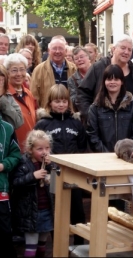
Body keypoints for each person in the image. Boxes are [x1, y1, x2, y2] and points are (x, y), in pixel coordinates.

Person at [86, 64, 133, 256]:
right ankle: (101, 244)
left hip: (128, 162)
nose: (112, 82)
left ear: (122, 81)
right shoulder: (95, 108)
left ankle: (128, 242)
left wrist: (126, 156)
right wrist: (108, 155)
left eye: (116, 78)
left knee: (125, 205)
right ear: (104, 81)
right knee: (102, 205)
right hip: (103, 162)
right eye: (109, 78)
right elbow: (92, 135)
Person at [34, 84, 87, 245]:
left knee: (77, 210)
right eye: (57, 101)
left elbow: (82, 146)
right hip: (53, 175)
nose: (61, 104)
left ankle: (79, 245)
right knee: (56, 211)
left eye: (64, 101)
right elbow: (34, 149)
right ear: (50, 103)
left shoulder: (76, 123)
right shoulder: (43, 124)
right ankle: (59, 245)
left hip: (74, 174)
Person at [77, 34, 133, 125]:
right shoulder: (98, 68)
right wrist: (90, 117)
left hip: (127, 127)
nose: (126, 52)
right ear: (113, 49)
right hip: (101, 126)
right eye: (123, 48)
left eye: (129, 49)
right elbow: (83, 94)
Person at [11, 130, 54, 257]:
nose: (45, 152)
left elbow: (58, 179)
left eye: (47, 148)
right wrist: (32, 176)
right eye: (40, 149)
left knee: (42, 244)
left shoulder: (49, 163)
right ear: (30, 149)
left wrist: (51, 167)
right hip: (30, 213)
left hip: (46, 209)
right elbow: (15, 182)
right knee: (31, 246)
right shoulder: (23, 162)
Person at [3, 53, 37, 153]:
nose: (19, 74)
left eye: (22, 69)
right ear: (7, 73)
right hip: (11, 150)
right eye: (14, 70)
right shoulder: (4, 96)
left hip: (29, 150)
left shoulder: (28, 93)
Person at [30, 37, 76, 108]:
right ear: (49, 51)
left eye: (60, 48)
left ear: (66, 51)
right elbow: (34, 96)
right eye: (54, 48)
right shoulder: (39, 70)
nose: (57, 51)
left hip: (70, 116)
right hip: (47, 115)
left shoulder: (74, 69)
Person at [0, 116, 21, 258]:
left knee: (5, 230)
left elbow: (16, 154)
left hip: (2, 189)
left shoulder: (7, 128)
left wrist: (4, 165)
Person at [67, 46, 91, 111]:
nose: (79, 60)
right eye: (76, 58)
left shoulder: (99, 73)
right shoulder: (72, 80)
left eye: (82, 57)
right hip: (82, 113)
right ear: (74, 62)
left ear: (88, 57)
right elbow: (73, 100)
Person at [0, 65, 24, 129]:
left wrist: (2, 99)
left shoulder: (8, 97)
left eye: (2, 80)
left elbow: (18, 122)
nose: (1, 83)